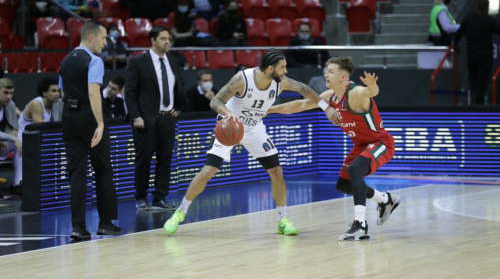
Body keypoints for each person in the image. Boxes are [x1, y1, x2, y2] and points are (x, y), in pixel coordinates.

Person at [163, 49, 340, 236]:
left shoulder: (280, 82)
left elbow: (305, 89)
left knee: (277, 171)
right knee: (209, 171)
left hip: (254, 129)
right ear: (270, 68)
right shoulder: (242, 79)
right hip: (230, 126)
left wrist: (326, 107)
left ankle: (283, 220)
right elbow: (215, 101)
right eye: (282, 68)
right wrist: (229, 114)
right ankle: (180, 212)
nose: (286, 71)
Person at [268, 57, 400, 241]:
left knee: (356, 169)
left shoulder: (354, 93)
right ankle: (385, 200)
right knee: (344, 185)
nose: (326, 74)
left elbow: (370, 92)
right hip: (361, 145)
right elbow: (301, 105)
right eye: (326, 70)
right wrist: (269, 110)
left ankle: (360, 225)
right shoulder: (329, 97)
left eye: (331, 71)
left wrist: (372, 86)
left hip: (380, 143)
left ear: (343, 77)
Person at [59, 19, 121, 240]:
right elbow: (94, 92)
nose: (105, 43)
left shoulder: (65, 60)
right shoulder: (94, 61)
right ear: (92, 37)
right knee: (103, 169)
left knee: (76, 173)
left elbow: (62, 93)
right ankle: (105, 223)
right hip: (90, 117)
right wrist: (101, 123)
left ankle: (78, 228)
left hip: (69, 116)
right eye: (104, 38)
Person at [125, 26, 188, 211]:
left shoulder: (173, 60)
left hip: (167, 119)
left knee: (165, 159)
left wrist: (178, 107)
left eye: (169, 38)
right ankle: (141, 198)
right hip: (145, 120)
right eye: (163, 39)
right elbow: (130, 92)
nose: (167, 42)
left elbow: (180, 85)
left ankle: (160, 198)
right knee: (143, 159)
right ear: (153, 40)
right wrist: (136, 116)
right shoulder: (138, 61)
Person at [12, 77, 62, 195]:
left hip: (34, 138)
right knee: (22, 146)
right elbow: (41, 128)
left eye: (58, 91)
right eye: (53, 91)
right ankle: (17, 183)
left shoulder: (55, 104)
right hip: (20, 137)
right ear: (44, 93)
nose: (57, 94)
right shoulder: (36, 103)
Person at [454, 0, 500, 105]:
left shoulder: (468, 19)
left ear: (477, 6)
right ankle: (479, 104)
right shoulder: (489, 20)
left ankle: (472, 98)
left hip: (472, 53)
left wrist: (455, 43)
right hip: (485, 53)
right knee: (483, 79)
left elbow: (458, 34)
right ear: (487, 7)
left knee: (472, 77)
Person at [0, 78, 22, 193]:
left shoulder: (11, 104)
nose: (9, 97)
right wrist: (8, 138)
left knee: (21, 142)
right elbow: (12, 136)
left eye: (11, 93)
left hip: (3, 144)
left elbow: (15, 130)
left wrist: (4, 138)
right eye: (5, 93)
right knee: (16, 140)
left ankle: (17, 183)